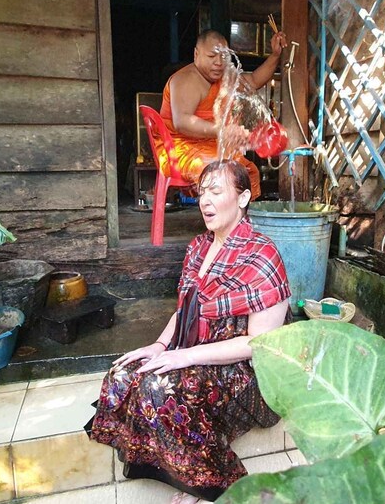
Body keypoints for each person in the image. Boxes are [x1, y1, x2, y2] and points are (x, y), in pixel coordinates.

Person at [86, 160, 291, 503]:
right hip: (195, 349)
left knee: (159, 385)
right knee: (123, 373)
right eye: (201, 192)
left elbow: (259, 344)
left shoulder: (262, 253)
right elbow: (185, 309)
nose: (205, 201)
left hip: (246, 372)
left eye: (216, 191)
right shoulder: (199, 247)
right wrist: (160, 345)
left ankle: (210, 483)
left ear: (242, 199)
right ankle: (183, 473)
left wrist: (184, 356)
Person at [159, 29, 289, 199]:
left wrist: (275, 56)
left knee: (249, 172)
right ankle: (220, 223)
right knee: (221, 174)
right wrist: (222, 130)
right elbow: (182, 122)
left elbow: (255, 80)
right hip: (180, 150)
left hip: (210, 146)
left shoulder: (225, 76)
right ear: (196, 54)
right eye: (212, 57)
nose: (219, 63)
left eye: (223, 56)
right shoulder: (186, 79)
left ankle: (240, 223)